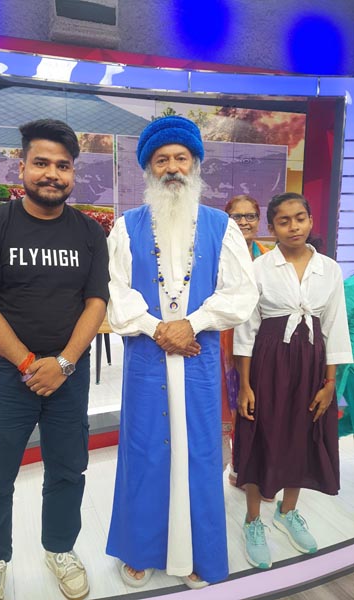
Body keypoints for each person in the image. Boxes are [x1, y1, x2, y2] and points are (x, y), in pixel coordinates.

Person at [0, 119, 109, 600]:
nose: (52, 174)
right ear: (20, 166)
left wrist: (63, 363)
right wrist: (27, 363)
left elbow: (96, 303)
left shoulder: (89, 232)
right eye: (41, 163)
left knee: (68, 469)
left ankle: (59, 549)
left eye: (63, 166)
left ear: (73, 173)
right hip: (9, 376)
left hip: (69, 376)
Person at [105, 116, 259, 589]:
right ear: (148, 168)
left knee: (199, 455)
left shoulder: (221, 226)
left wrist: (191, 323)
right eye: (161, 160)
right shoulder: (126, 227)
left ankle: (196, 552)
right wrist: (158, 328)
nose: (171, 168)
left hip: (198, 356)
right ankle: (140, 548)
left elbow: (241, 292)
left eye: (180, 158)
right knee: (144, 451)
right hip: (147, 358)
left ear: (195, 164)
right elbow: (115, 292)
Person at [233, 192, 352, 570]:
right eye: (283, 221)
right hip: (268, 361)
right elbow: (245, 330)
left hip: (312, 364)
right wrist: (245, 385)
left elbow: (335, 327)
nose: (293, 227)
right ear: (271, 228)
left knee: (303, 433)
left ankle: (287, 511)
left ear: (311, 220)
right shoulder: (259, 268)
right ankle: (253, 520)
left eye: (300, 218)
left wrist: (330, 383)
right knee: (261, 434)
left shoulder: (328, 269)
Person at [222, 195, 271, 493]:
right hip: (221, 342)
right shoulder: (215, 254)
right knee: (227, 404)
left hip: (260, 342)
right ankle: (227, 466)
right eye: (236, 217)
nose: (244, 222)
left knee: (256, 402)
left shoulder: (268, 257)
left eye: (250, 216)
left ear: (259, 219)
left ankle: (247, 468)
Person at [337, 274, 354, 437]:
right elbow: (339, 326)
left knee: (350, 423)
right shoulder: (350, 287)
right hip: (350, 364)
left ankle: (310, 440)